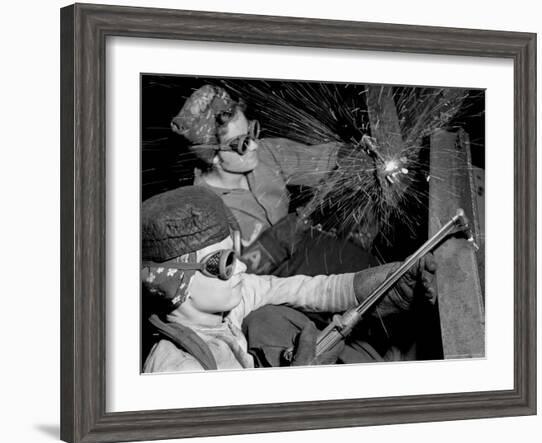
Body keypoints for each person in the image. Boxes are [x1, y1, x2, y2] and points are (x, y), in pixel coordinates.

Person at [141, 186, 437, 372]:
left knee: (268, 320)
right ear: (175, 284)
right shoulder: (179, 369)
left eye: (236, 254)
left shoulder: (227, 308)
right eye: (225, 263)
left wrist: (394, 282)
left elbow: (307, 289)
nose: (242, 268)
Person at [170, 84, 377, 277]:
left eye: (251, 132)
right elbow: (226, 285)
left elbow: (318, 160)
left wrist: (353, 154)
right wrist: (271, 244)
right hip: (260, 297)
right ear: (213, 156)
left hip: (301, 260)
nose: (254, 146)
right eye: (242, 144)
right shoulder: (202, 212)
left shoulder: (265, 154)